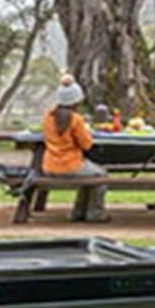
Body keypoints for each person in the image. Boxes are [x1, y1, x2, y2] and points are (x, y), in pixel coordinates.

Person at [40, 76, 108, 223]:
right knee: (101, 174)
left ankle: (78, 212)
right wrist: (86, 130)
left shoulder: (48, 116)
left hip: (49, 165)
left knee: (90, 174)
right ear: (76, 100)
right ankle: (95, 213)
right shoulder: (75, 119)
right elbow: (86, 145)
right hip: (70, 165)